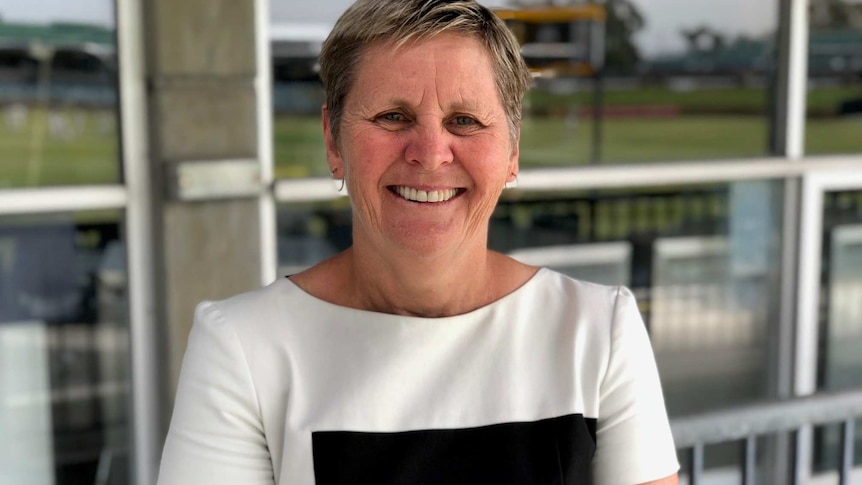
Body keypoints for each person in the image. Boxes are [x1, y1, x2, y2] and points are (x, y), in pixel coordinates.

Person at [157, 0, 680, 483]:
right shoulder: (244, 347)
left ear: (512, 150)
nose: (430, 153)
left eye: (465, 121)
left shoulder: (597, 331)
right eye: (392, 116)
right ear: (332, 141)